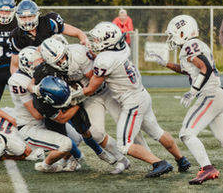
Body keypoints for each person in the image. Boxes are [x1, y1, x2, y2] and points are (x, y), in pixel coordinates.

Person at [74, 21, 190, 178]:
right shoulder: (122, 49)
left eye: (98, 39)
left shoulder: (105, 60)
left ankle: (159, 163)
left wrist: (71, 96)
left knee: (124, 145)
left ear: (108, 41)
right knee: (157, 132)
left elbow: (91, 88)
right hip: (142, 95)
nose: (94, 42)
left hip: (132, 102)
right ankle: (181, 160)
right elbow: (105, 59)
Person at [36, 36, 132, 174]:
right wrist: (35, 89)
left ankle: (154, 161)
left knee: (128, 126)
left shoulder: (79, 53)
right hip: (88, 98)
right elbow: (33, 81)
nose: (62, 62)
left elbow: (93, 79)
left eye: (63, 57)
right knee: (96, 133)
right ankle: (122, 160)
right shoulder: (47, 69)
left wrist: (75, 93)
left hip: (105, 90)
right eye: (57, 61)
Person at [148, 15, 221, 184]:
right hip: (216, 93)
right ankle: (207, 168)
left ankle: (207, 169)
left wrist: (193, 91)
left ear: (183, 33)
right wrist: (166, 63)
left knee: (186, 133)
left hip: (209, 94)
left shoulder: (189, 46)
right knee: (221, 135)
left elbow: (206, 68)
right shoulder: (194, 45)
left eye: (173, 34)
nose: (171, 38)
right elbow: (188, 69)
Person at [8, 47, 84, 172]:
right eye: (35, 63)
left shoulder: (42, 72)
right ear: (26, 64)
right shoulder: (18, 81)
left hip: (46, 120)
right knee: (66, 144)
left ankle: (62, 162)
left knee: (77, 138)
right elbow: (36, 115)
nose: (39, 66)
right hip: (30, 126)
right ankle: (45, 166)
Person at [9, 0, 89, 74]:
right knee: (26, 55)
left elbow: (78, 33)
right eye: (23, 17)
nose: (27, 20)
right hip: (39, 69)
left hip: (62, 59)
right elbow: (14, 65)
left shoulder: (49, 22)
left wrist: (85, 44)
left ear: (36, 15)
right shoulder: (16, 36)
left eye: (30, 16)